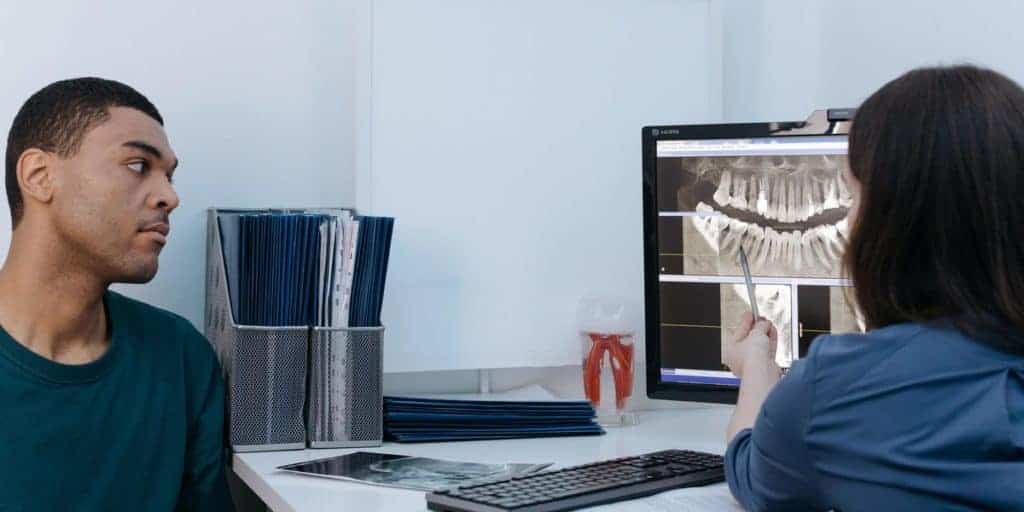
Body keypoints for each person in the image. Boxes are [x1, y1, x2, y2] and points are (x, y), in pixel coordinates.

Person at [722, 65, 1024, 511]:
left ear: (892, 222)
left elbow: (750, 470)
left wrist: (757, 370)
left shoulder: (835, 389)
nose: (847, 220)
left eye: (853, 194)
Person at [0, 78, 232, 510]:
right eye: (137, 165)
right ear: (39, 176)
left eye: (170, 175)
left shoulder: (180, 358)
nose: (170, 196)